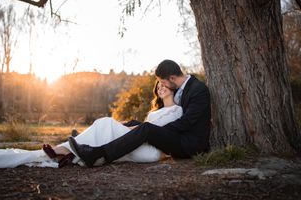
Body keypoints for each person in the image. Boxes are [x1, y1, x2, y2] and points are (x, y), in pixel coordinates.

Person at [0, 80, 182, 170]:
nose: (160, 87)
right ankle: (71, 149)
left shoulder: (177, 111)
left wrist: (128, 129)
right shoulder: (154, 112)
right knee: (107, 126)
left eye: (164, 84)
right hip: (140, 145)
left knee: (105, 124)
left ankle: (70, 146)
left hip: (151, 152)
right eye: (158, 85)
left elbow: (158, 134)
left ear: (173, 87)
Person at [69, 59, 211, 167]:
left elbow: (186, 122)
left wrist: (157, 131)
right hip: (178, 136)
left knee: (147, 128)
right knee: (134, 123)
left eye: (163, 82)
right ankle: (90, 138)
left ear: (172, 78)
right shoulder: (183, 87)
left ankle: (98, 154)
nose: (162, 85)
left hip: (189, 144)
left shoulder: (198, 90)